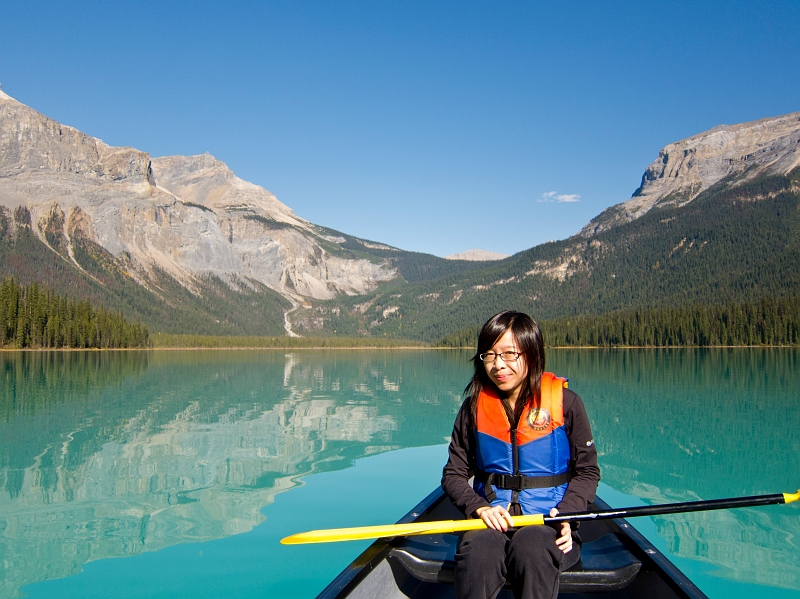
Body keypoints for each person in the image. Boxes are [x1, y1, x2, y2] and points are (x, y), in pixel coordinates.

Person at [441, 311, 600, 599]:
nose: (498, 365)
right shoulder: (472, 409)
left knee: (532, 547)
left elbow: (587, 471)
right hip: (490, 522)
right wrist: (479, 508)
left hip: (548, 523)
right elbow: (453, 474)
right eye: (489, 355)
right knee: (479, 553)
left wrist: (568, 514)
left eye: (509, 354)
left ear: (531, 353)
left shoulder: (567, 403)